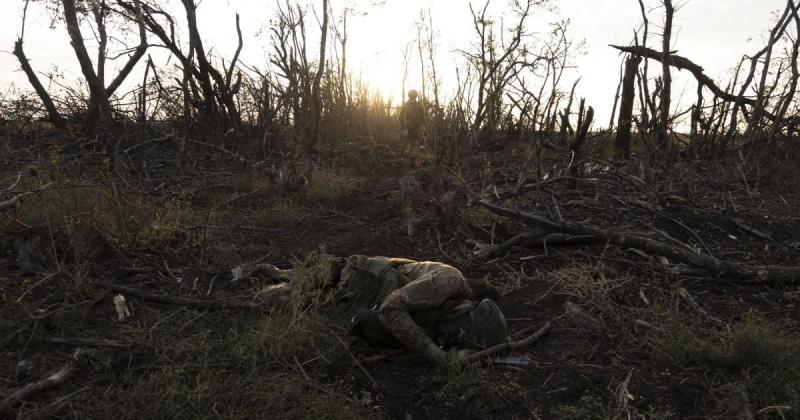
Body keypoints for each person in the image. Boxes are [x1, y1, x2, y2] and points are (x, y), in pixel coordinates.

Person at [258, 254, 508, 365]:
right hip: (358, 276)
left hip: (359, 301)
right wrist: (433, 353)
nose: (446, 341)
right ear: (465, 321)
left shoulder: (449, 310)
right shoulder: (448, 281)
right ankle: (282, 274)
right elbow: (390, 309)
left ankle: (288, 276)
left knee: (303, 307)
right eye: (455, 339)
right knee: (271, 297)